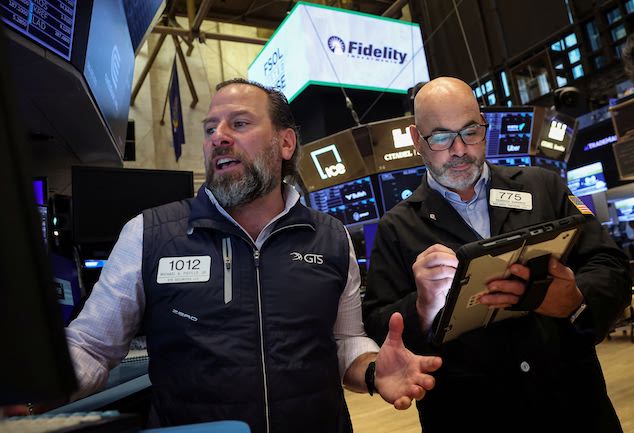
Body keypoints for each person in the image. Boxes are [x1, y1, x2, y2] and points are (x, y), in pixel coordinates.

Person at [62, 79, 442, 433]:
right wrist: (40, 386)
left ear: (286, 143)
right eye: (210, 129)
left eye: (239, 124)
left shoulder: (331, 238)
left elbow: (345, 340)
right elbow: (91, 346)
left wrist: (372, 369)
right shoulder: (149, 235)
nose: (219, 137)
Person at [362, 76, 631, 433]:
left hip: (574, 409)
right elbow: (378, 324)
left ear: (484, 125)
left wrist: (576, 298)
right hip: (471, 415)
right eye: (441, 137)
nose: (459, 149)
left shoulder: (544, 187)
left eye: (470, 132)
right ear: (416, 139)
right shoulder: (396, 228)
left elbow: (611, 264)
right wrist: (421, 308)